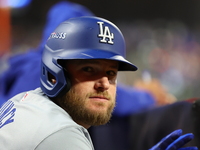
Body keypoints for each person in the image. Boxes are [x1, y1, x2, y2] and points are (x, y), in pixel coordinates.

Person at [0, 16, 197, 150]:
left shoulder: (24, 100)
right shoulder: (62, 134)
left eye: (111, 73)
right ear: (54, 73)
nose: (104, 84)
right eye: (89, 70)